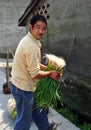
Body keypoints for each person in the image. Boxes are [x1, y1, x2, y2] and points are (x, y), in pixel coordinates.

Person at [10, 15, 60, 130]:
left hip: (24, 85)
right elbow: (35, 73)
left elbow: (35, 64)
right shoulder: (31, 45)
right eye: (38, 27)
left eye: (43, 28)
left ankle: (45, 127)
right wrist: (49, 74)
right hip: (22, 88)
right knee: (23, 121)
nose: (41, 31)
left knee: (37, 109)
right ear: (31, 27)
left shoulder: (32, 40)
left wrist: (48, 69)